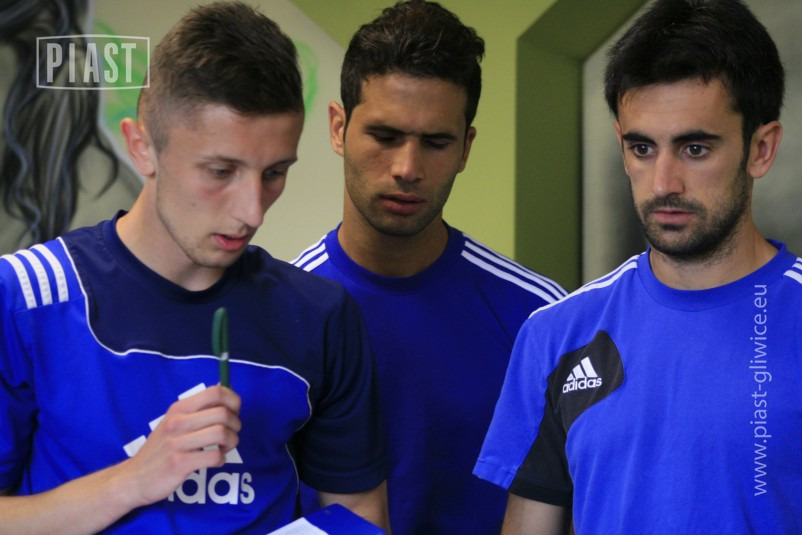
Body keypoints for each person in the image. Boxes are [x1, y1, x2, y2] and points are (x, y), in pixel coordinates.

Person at [0, 2, 389, 533]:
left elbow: (360, 513)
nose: (252, 211)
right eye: (221, 171)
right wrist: (133, 480)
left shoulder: (319, 314)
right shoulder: (24, 298)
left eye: (274, 173)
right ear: (142, 147)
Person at [474, 0, 802, 533]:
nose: (663, 183)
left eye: (695, 148)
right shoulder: (557, 335)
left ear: (761, 149)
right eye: (643, 148)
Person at [292, 1, 567, 532]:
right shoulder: (276, 314)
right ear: (338, 128)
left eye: (436, 142)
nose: (407, 168)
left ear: (465, 148)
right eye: (385, 136)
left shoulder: (541, 318)